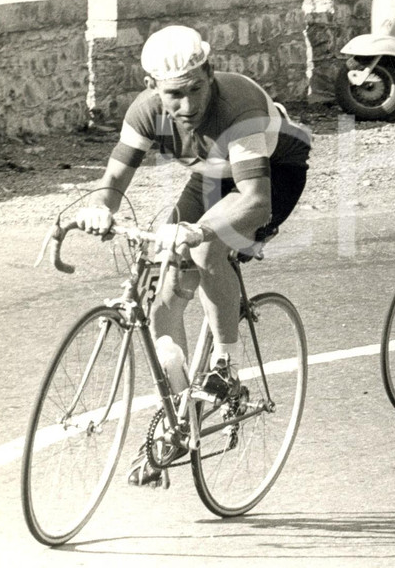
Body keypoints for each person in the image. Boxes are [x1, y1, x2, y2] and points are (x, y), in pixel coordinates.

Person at [75, 25, 311, 485]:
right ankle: (180, 412)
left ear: (210, 70)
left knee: (206, 252)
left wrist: (198, 231)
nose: (188, 106)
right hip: (211, 174)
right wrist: (99, 209)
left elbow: (254, 198)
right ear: (152, 89)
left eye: (196, 88)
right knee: (166, 277)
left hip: (271, 175)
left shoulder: (236, 105)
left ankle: (226, 368)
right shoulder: (146, 112)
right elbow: (113, 181)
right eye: (173, 96)